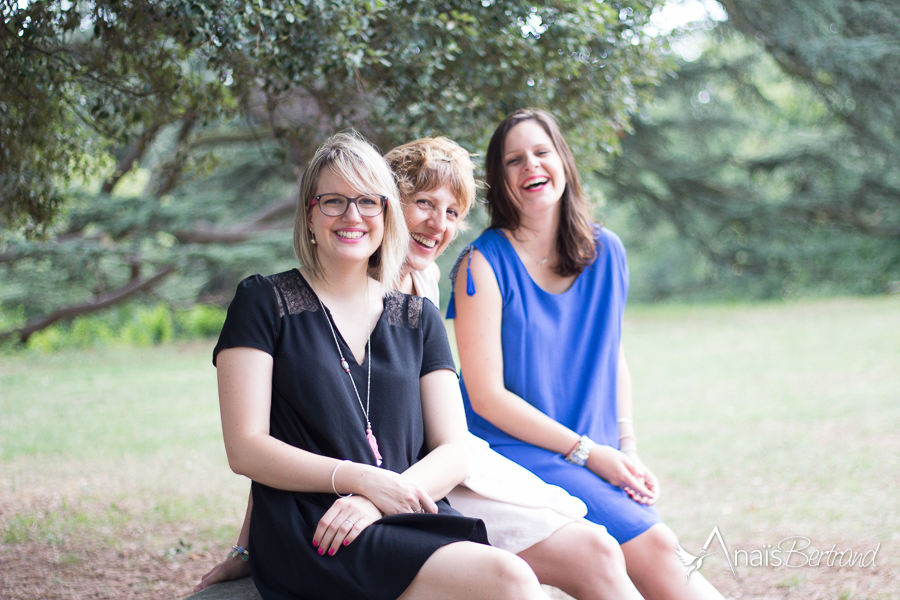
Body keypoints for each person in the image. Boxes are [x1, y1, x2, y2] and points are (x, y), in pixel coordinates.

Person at [198, 137, 642, 600]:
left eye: (368, 202)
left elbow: (454, 447)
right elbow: (249, 447)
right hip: (314, 524)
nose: (352, 216)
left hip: (404, 509)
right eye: (334, 202)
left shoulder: (417, 314)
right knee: (508, 579)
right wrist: (356, 484)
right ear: (309, 214)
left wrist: (380, 496)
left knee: (532, 570)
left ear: (385, 213)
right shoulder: (264, 302)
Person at [448, 109, 724, 600]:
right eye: (513, 160)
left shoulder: (607, 251)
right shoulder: (481, 264)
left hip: (592, 450)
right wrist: (589, 454)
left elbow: (612, 357)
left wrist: (627, 449)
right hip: (513, 452)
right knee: (658, 546)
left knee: (657, 552)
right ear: (499, 179)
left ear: (563, 162)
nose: (530, 166)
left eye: (541, 152)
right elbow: (486, 398)